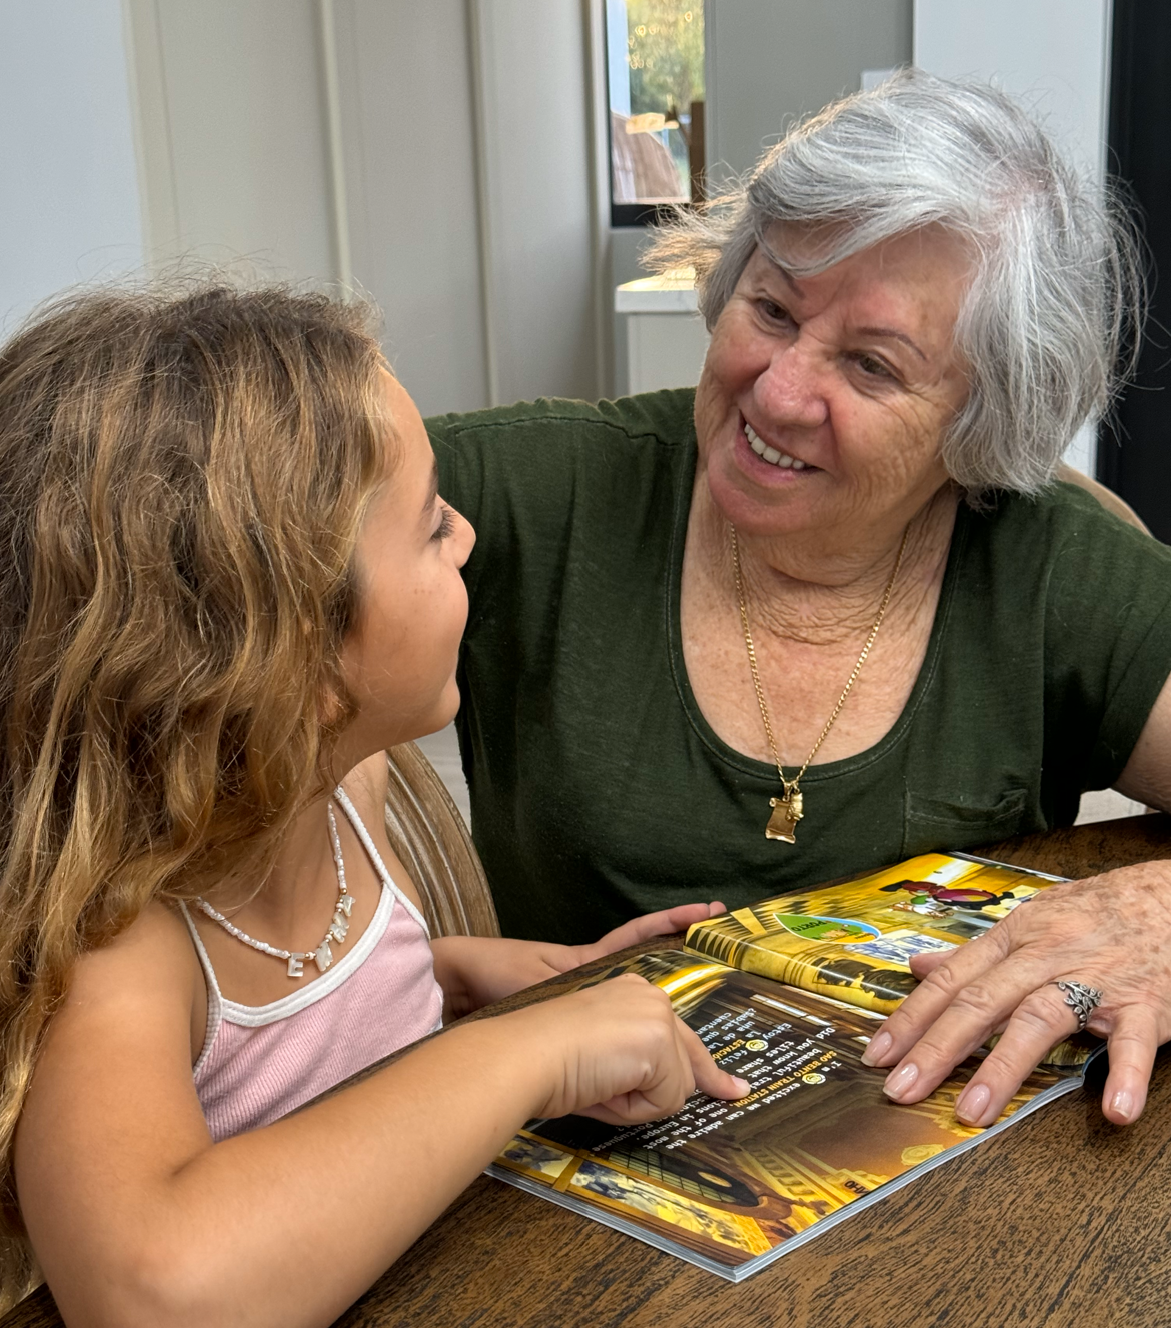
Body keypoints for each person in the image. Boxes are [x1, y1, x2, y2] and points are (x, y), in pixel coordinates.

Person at [426, 72, 1170, 1131]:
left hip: (938, 1198)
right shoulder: (542, 489)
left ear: (982, 421)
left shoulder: (1048, 567)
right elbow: (183, 545)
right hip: (556, 1193)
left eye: (870, 366)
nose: (773, 392)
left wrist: (1157, 914)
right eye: (769, 306)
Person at [0, 286, 749, 1324]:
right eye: (432, 522)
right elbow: (152, 1290)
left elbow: (309, 1022)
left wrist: (449, 972)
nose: (470, 536)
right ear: (292, 664)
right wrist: (527, 1053)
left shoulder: (346, 783)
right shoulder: (125, 949)